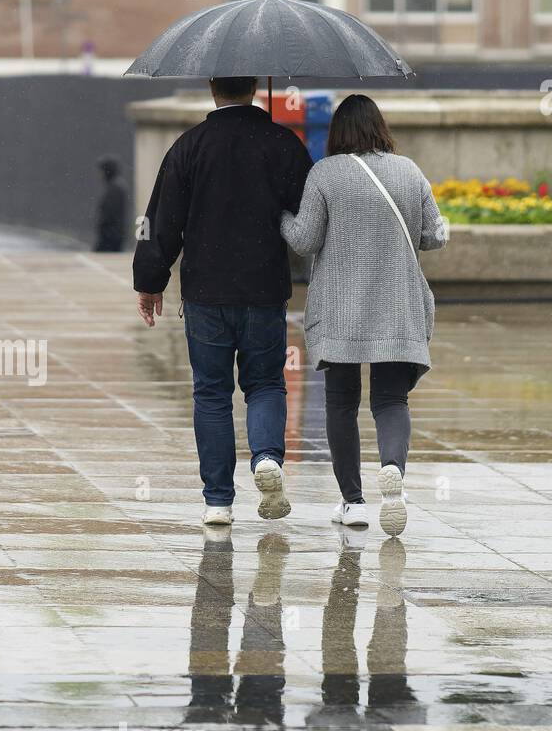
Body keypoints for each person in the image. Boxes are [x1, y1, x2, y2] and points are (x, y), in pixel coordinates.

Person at [133, 76, 313, 527]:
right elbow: (309, 215)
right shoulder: (283, 143)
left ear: (213, 87)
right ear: (254, 86)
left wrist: (150, 280)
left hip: (205, 293)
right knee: (266, 384)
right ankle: (267, 458)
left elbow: (162, 220)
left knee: (211, 393)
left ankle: (218, 500)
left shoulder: (189, 147)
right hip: (264, 290)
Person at [281, 93, 448, 537]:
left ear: (337, 133)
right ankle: (392, 471)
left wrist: (279, 214)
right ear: (381, 128)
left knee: (341, 403)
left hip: (341, 311)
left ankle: (353, 502)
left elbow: (303, 239)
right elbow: (434, 234)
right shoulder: (409, 171)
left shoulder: (325, 174)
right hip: (396, 308)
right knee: (391, 400)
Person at [93, 155, 129, 252]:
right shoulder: (116, 186)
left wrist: (102, 226)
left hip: (111, 236)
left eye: (102, 171)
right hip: (113, 234)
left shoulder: (115, 188)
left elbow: (110, 213)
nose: (100, 174)